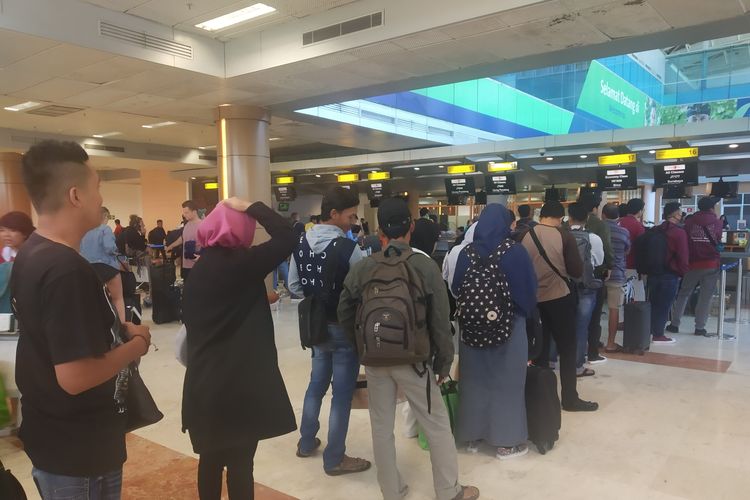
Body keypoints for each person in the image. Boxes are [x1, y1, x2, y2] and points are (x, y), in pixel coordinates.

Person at [11, 140, 151, 499]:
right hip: (79, 450)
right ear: (76, 195)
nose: (100, 200)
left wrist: (119, 330)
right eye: (97, 189)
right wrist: (136, 345)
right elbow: (75, 376)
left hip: (55, 436)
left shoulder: (32, 252)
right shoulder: (65, 269)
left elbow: (54, 332)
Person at [338, 197, 480, 500]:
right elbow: (441, 321)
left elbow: (344, 311)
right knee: (437, 425)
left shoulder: (364, 267)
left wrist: (362, 345)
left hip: (375, 360)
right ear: (411, 227)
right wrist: (443, 363)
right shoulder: (425, 266)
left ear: (380, 231)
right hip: (415, 361)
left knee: (381, 427)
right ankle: (448, 491)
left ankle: (392, 491)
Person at [182, 198, 297, 500]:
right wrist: (251, 206)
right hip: (240, 385)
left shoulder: (199, 269)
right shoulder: (244, 264)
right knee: (241, 465)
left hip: (204, 384)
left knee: (209, 461)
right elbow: (287, 235)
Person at [288, 187, 370, 476]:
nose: (352, 221)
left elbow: (294, 286)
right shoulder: (350, 249)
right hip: (344, 329)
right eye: (350, 215)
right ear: (333, 214)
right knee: (342, 395)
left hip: (316, 326)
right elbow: (363, 290)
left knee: (316, 385)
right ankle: (335, 458)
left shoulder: (300, 243)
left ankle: (307, 441)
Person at [445, 205, 536, 460]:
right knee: (507, 382)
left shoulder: (466, 252)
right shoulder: (515, 252)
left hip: (471, 328)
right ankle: (506, 443)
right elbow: (528, 293)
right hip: (509, 326)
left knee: (473, 381)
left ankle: (472, 437)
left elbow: (455, 287)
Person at [517, 201, 598, 412]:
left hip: (533, 301)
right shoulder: (564, 235)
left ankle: (541, 396)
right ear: (561, 217)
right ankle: (570, 398)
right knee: (567, 348)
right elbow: (576, 270)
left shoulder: (524, 235)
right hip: (560, 298)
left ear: (540, 215)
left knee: (540, 350)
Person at [667, 197, 723, 337]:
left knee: (684, 293)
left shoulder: (689, 222)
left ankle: (674, 325)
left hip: (692, 264)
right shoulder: (717, 222)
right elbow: (718, 239)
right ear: (711, 208)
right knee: (705, 297)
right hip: (711, 264)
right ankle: (699, 328)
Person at [567, 203, 604, 377]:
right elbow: (599, 261)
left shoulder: (561, 235)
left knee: (557, 324)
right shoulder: (593, 238)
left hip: (564, 286)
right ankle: (577, 366)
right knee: (581, 327)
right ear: (587, 218)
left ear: (569, 216)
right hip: (584, 286)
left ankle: (551, 360)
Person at [648, 202, 689, 344]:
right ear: (675, 214)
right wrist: (683, 273)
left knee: (652, 303)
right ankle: (658, 334)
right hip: (670, 274)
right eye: (680, 213)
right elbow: (683, 255)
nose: (681, 215)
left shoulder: (655, 229)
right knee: (664, 305)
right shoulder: (679, 232)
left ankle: (649, 330)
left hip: (653, 273)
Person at [578, 193, 612, 365]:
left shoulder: (565, 226)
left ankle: (573, 353)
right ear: (594, 208)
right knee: (594, 316)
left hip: (569, 277)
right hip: (592, 276)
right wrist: (609, 267)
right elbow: (606, 251)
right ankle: (592, 353)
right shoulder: (599, 225)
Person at [80, 207, 127, 322]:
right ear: (105, 216)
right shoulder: (105, 229)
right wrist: (116, 250)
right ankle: (122, 328)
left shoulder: (84, 230)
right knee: (118, 299)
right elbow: (109, 247)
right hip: (107, 267)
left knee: (93, 301)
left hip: (88, 268)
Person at [601, 203, 631, 353]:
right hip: (617, 273)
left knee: (594, 308)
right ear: (617, 216)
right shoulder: (623, 232)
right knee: (614, 308)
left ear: (603, 215)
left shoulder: (597, 230)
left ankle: (592, 340)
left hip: (598, 274)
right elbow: (627, 250)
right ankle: (610, 343)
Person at [0, 211, 35, 313]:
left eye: (12, 230)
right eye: (2, 230)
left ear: (24, 233)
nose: (6, 235)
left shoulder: (35, 255)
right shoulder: (3, 255)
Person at [166, 201, 202, 282]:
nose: (184, 215)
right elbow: (182, 238)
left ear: (194, 212)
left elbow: (208, 245)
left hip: (197, 266)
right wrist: (170, 246)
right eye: (183, 212)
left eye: (186, 212)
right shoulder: (187, 225)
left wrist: (202, 257)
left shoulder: (202, 225)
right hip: (185, 265)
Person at [619, 198, 646, 301]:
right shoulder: (638, 226)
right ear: (640, 210)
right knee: (636, 296)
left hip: (615, 266)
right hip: (632, 266)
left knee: (619, 298)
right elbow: (641, 248)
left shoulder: (618, 222)